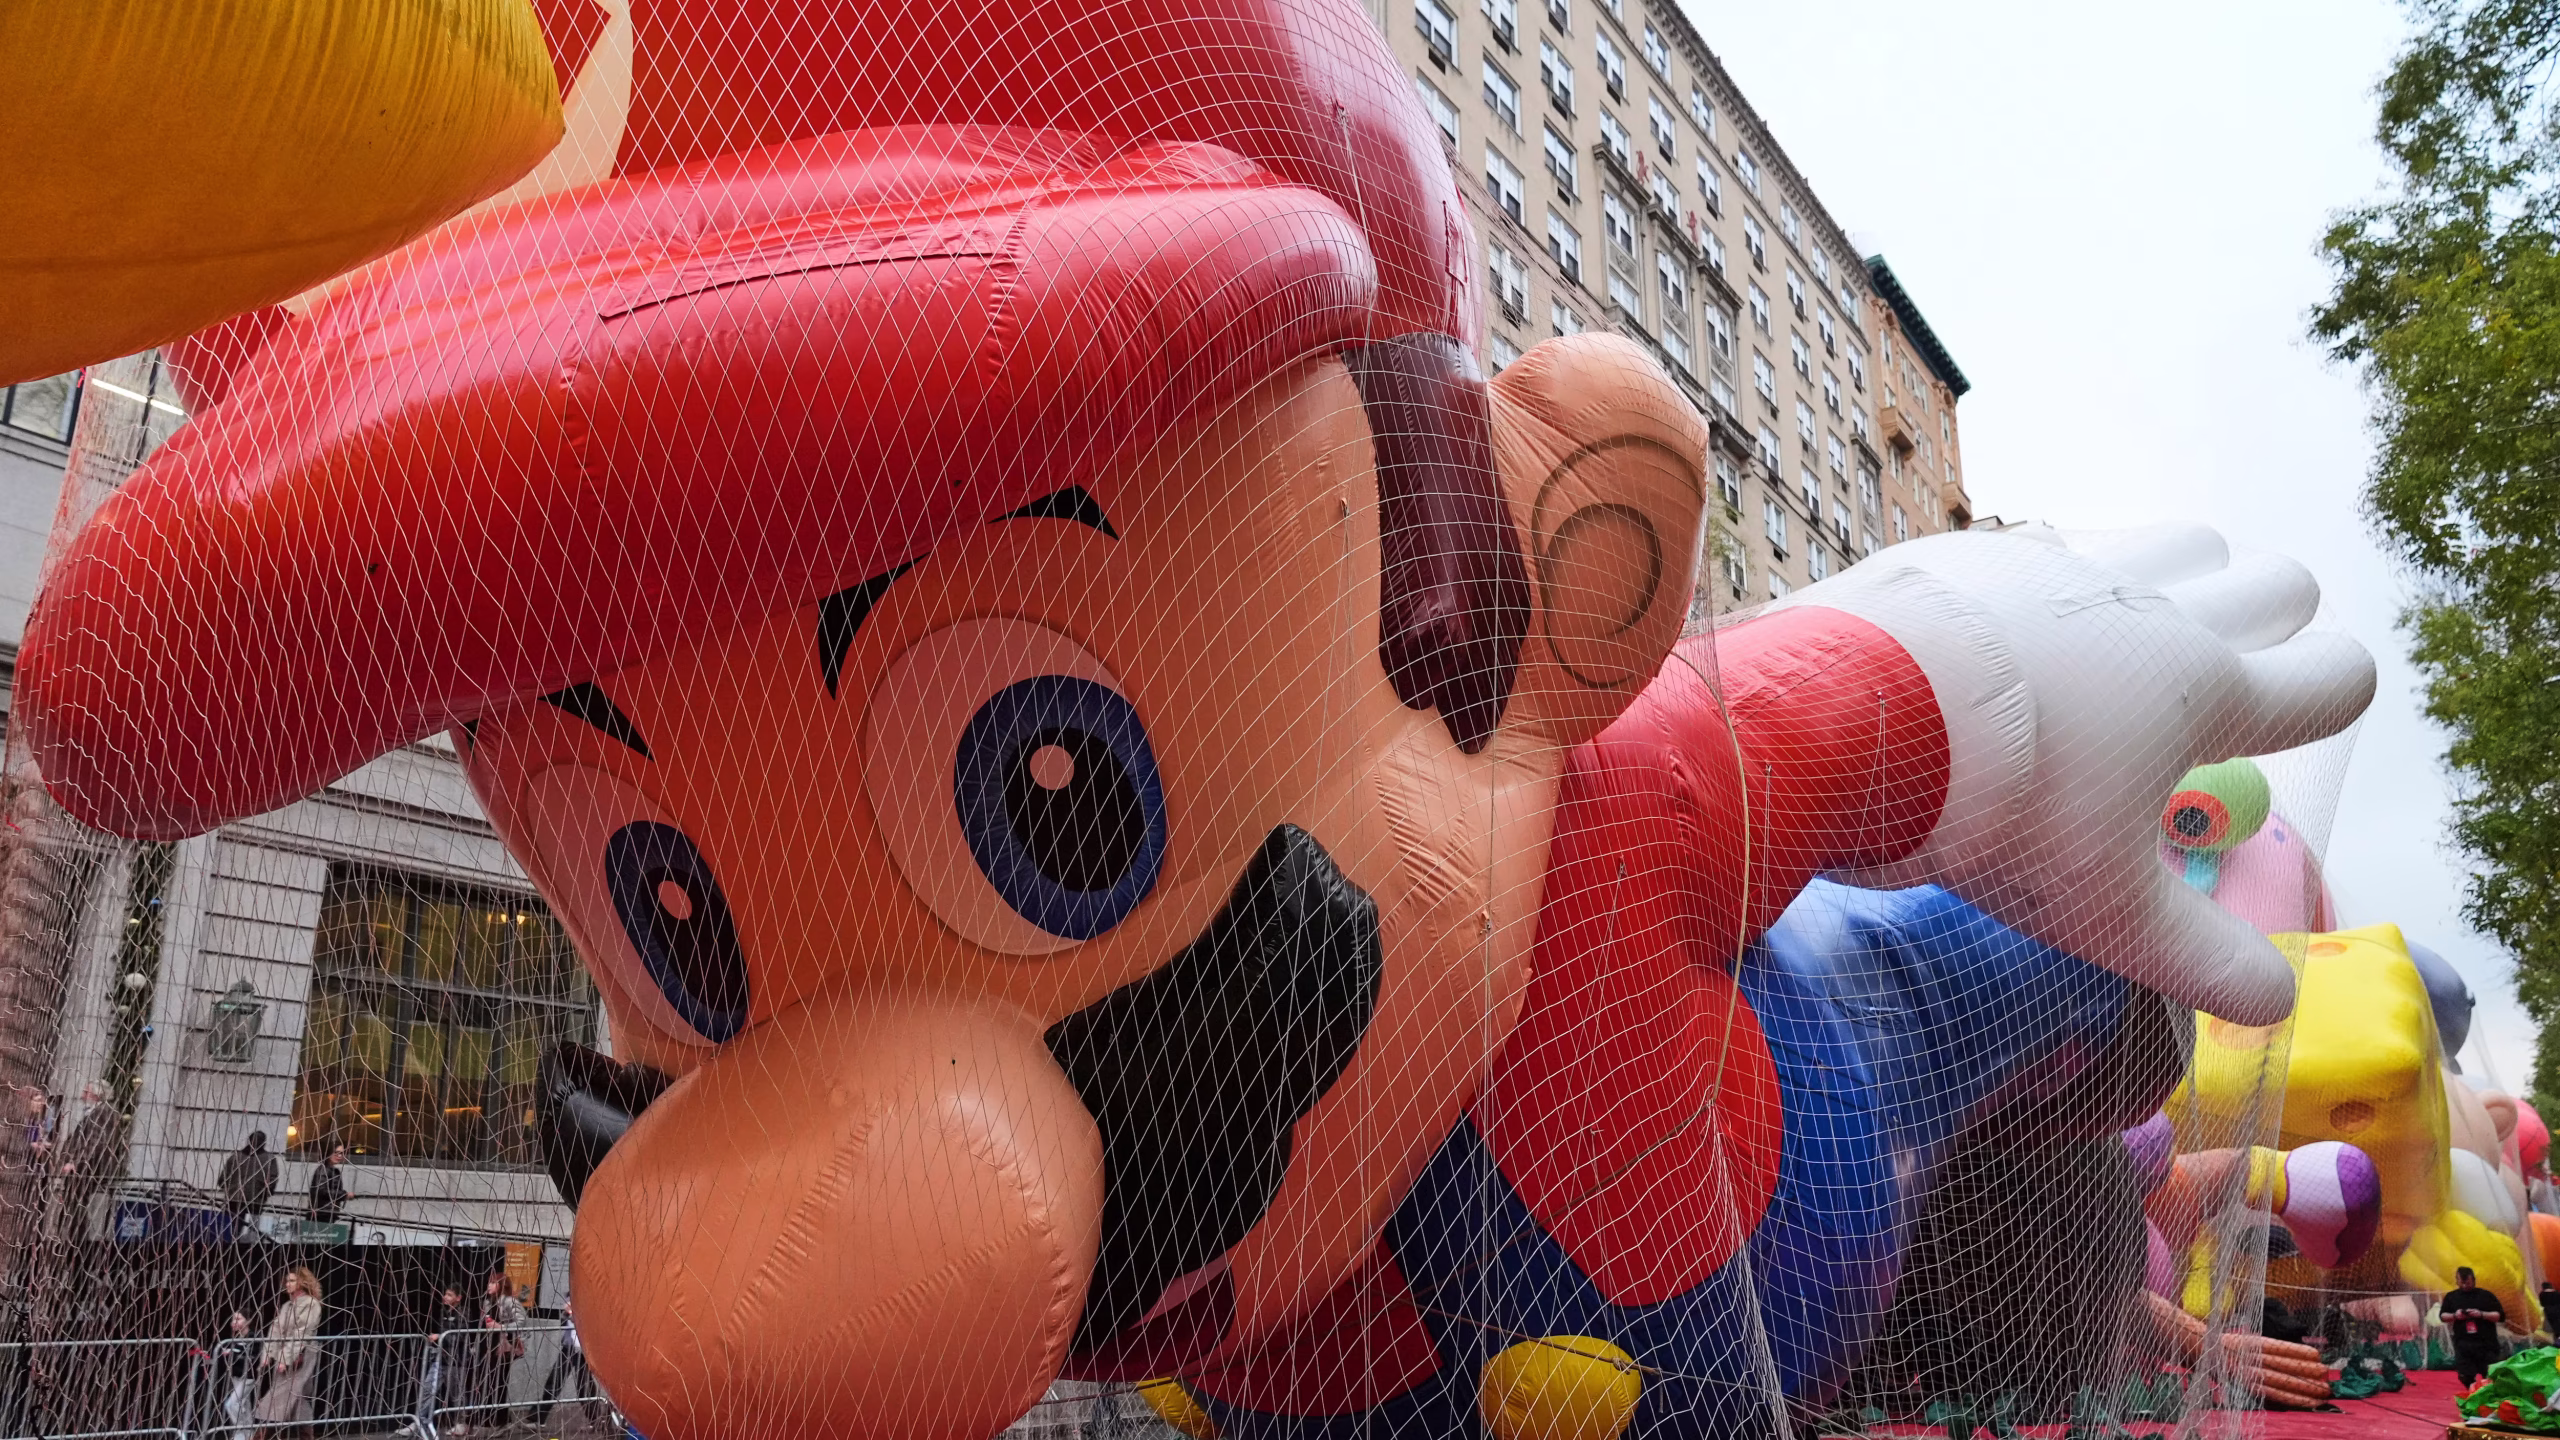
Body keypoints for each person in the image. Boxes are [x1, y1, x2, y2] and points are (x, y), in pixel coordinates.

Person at [253, 1266, 324, 1434]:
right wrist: (268, 1355)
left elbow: (302, 1332)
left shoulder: (311, 1304)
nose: (287, 1284)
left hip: (301, 1356)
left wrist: (286, 1359)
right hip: (286, 1354)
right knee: (297, 1400)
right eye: (287, 1280)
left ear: (302, 1282)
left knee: (277, 1399)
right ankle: (307, 1436)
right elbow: (275, 1330)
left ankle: (259, 1437)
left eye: (292, 1280)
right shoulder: (287, 1305)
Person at [397, 1285, 473, 1437]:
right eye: (445, 1294)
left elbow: (460, 1336)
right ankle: (418, 1422)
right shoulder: (443, 1312)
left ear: (458, 1298)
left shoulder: (464, 1313)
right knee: (426, 1390)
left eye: (450, 1295)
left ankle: (461, 1423)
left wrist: (441, 1337)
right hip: (441, 1359)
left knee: (457, 1394)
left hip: (457, 1361)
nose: (445, 1297)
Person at [2442, 1265, 2508, 1388]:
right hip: (2463, 1342)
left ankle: (2488, 1396)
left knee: (2490, 1376)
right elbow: (2443, 1316)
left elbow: (2499, 1316)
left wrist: (2481, 1314)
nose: (2465, 1285)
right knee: (2465, 1375)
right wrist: (2456, 1316)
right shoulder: (2451, 1297)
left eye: (2467, 1282)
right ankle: (2472, 1392)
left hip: (2486, 1343)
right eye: (2461, 1282)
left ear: (2473, 1280)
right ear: (2457, 1281)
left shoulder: (2486, 1295)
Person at [478, 1272, 529, 1427]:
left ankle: (501, 1420)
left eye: (492, 1283)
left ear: (500, 1285)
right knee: (487, 1382)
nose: (489, 1286)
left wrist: (501, 1326)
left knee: (499, 1383)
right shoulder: (488, 1302)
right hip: (489, 1346)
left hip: (504, 1347)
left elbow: (521, 1322)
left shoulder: (509, 1301)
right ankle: (490, 1419)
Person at [539, 1297, 598, 1430]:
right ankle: (538, 1418)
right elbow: (563, 1322)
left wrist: (573, 1314)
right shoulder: (571, 1300)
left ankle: (596, 1420)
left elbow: (588, 1322)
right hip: (569, 1347)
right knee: (555, 1380)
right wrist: (566, 1314)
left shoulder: (589, 1301)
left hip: (582, 1350)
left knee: (584, 1386)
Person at [218, 1131, 279, 1237]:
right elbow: (272, 1181)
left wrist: (230, 1188)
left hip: (233, 1199)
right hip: (255, 1201)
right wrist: (265, 1193)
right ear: (263, 1143)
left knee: (229, 1230)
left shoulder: (236, 1157)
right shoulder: (269, 1159)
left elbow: (223, 1180)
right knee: (249, 1232)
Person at [213, 1310, 258, 1432]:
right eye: (233, 1319)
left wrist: (234, 1353)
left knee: (232, 1404)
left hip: (248, 1377)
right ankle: (249, 1435)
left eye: (238, 1319)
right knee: (244, 1406)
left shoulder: (253, 1337)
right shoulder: (235, 1338)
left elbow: (253, 1357)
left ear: (248, 1321)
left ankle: (241, 1433)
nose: (234, 1322)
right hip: (237, 1375)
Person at [306, 1145, 348, 1225]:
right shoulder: (323, 1170)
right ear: (329, 1153)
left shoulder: (333, 1170)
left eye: (342, 1153)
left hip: (327, 1213)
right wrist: (344, 1195)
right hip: (321, 1214)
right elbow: (322, 1191)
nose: (339, 1156)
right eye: (336, 1153)